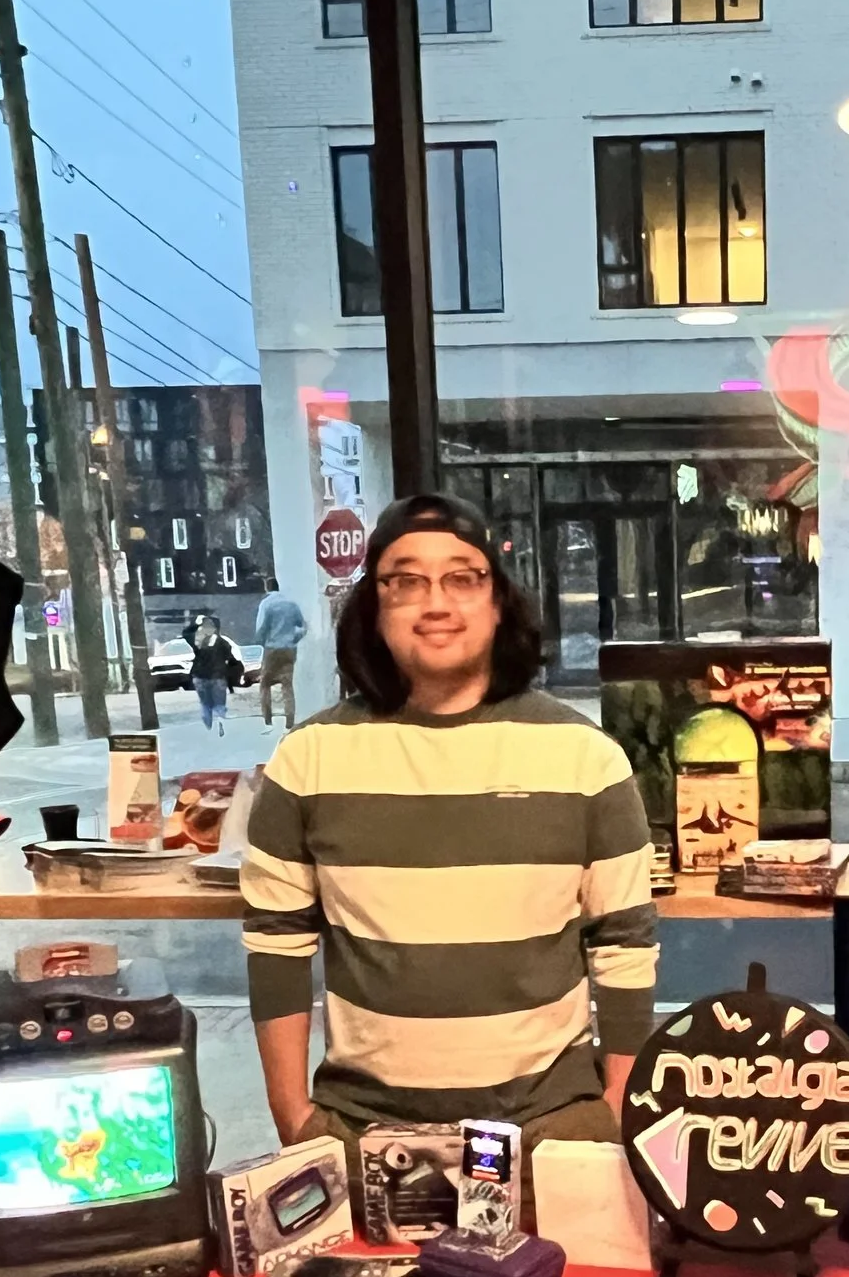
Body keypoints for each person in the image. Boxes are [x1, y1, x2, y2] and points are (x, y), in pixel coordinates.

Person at [242, 491, 657, 1159]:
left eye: (463, 576)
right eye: (405, 581)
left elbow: (625, 948)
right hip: (363, 1135)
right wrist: (295, 1119)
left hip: (553, 1131)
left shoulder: (587, 760)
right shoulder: (306, 761)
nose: (436, 602)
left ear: (497, 602)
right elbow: (277, 948)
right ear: (375, 609)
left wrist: (613, 1115)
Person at [253, 586, 308, 729]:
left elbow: (261, 628)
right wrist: (295, 639)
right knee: (287, 685)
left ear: (266, 587)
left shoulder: (266, 604)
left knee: (265, 684)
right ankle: (289, 722)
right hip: (289, 649)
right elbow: (303, 626)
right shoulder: (292, 604)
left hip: (272, 648)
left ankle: (268, 721)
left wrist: (260, 640)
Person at [190, 619, 245, 733]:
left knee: (205, 704)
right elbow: (230, 658)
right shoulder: (223, 642)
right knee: (219, 703)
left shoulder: (199, 643)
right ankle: (220, 720)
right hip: (218, 677)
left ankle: (208, 726)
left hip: (200, 677)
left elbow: (187, 634)